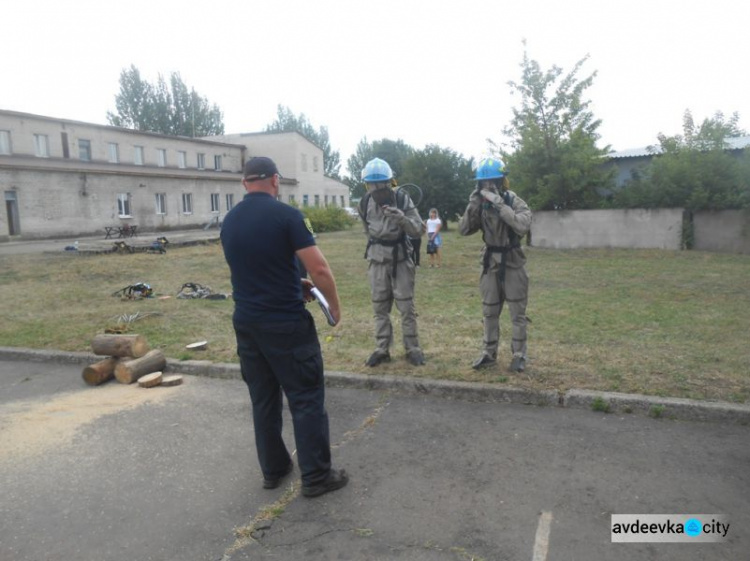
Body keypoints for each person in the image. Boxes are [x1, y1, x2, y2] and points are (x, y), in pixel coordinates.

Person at [221, 156, 348, 498]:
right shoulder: (288, 216)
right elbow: (319, 268)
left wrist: (295, 283)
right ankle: (317, 477)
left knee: (263, 399)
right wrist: (333, 308)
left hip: (247, 324)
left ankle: (274, 469)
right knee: (305, 397)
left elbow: (257, 267)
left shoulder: (229, 220)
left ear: (244, 183)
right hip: (285, 324)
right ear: (275, 181)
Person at [458, 157, 532, 372]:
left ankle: (519, 355)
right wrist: (473, 205)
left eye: (493, 182)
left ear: (501, 182)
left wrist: (500, 205)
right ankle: (488, 353)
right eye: (483, 183)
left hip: (512, 260)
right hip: (490, 262)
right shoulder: (479, 205)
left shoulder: (513, 201)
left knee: (517, 312)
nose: (488, 186)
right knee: (489, 311)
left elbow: (522, 225)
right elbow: (463, 230)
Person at [358, 157, 426, 367]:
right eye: (372, 184)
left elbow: (419, 229)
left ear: (390, 182)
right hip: (377, 260)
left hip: (401, 259)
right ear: (367, 185)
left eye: (381, 184)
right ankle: (382, 349)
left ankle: (412, 348)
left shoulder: (402, 199)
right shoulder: (364, 203)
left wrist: (401, 219)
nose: (376, 188)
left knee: (406, 306)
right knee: (379, 307)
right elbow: (367, 231)